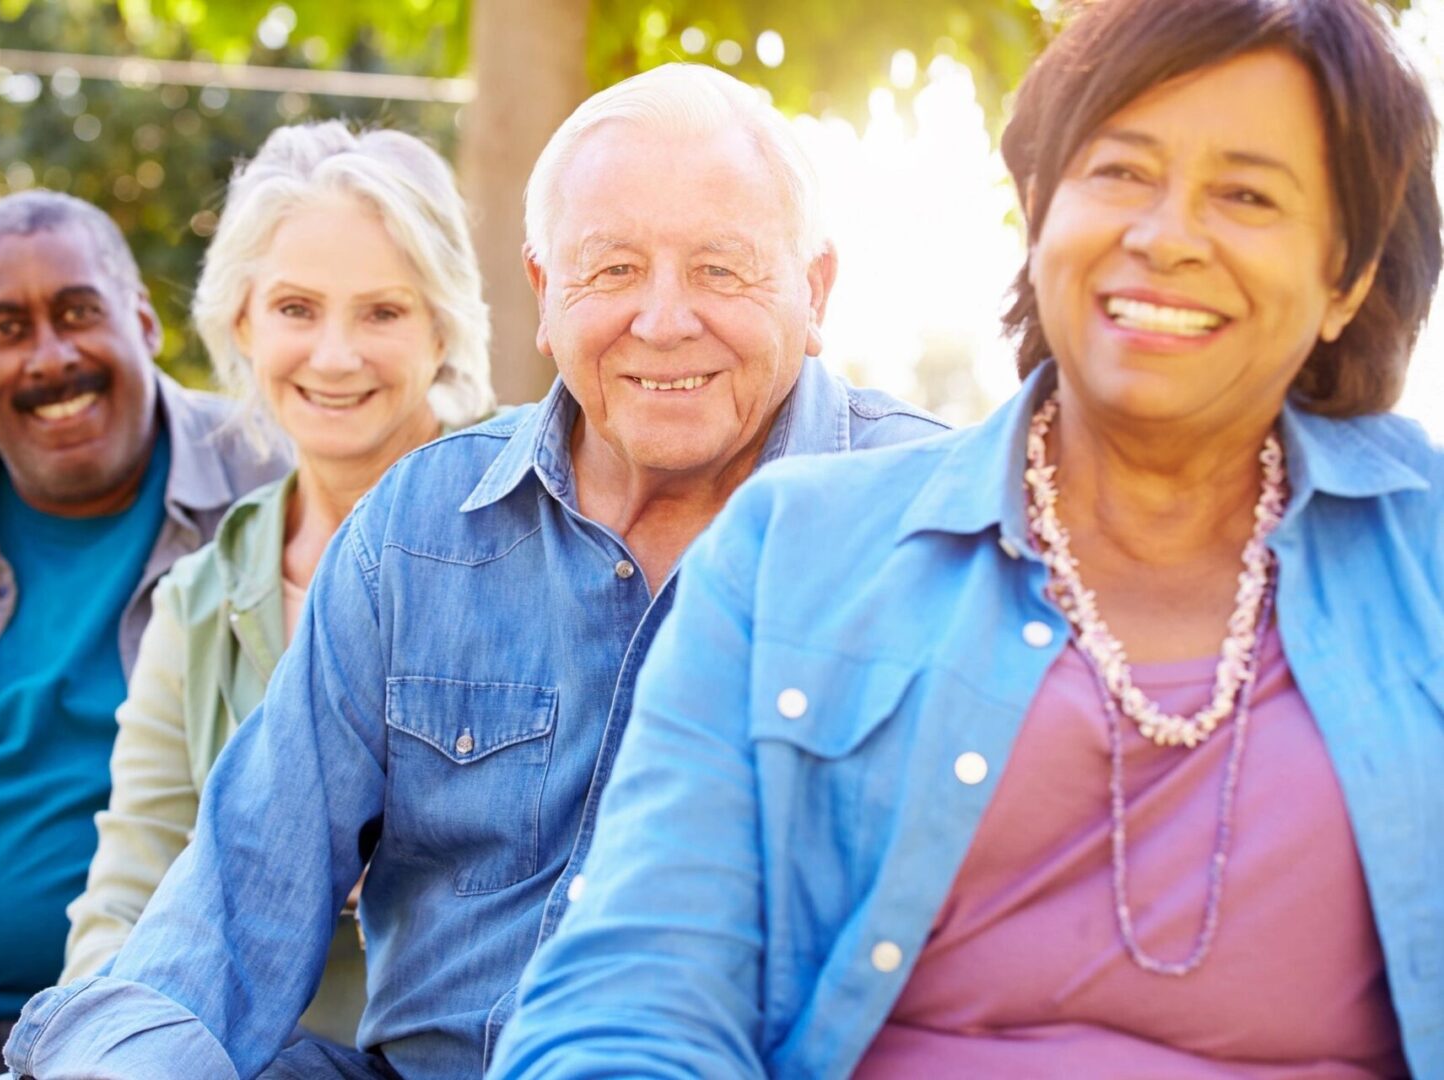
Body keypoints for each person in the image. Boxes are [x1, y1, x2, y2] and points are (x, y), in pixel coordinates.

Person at [491, 0, 1444, 1076]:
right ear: (1038, 210)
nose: (1167, 235)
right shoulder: (791, 556)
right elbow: (628, 1008)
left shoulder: (1429, 566)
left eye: (1247, 194)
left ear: (1347, 278)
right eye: (1121, 172)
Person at [0, 63, 947, 1080]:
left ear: (815, 290)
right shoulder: (416, 532)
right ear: (544, 294)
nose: (664, 319)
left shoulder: (935, 528)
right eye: (613, 269)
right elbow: (230, 910)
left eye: (722, 268)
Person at [0, 192, 285, 1080]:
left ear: (143, 320)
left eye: (79, 312)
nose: (52, 357)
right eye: (7, 329)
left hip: (189, 1036)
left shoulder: (274, 484)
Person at [59, 121, 493, 1050]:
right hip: (244, 1058)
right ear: (242, 321)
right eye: (297, 308)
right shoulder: (201, 600)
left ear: (443, 326)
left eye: (382, 312)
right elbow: (131, 886)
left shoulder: (536, 539)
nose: (335, 356)